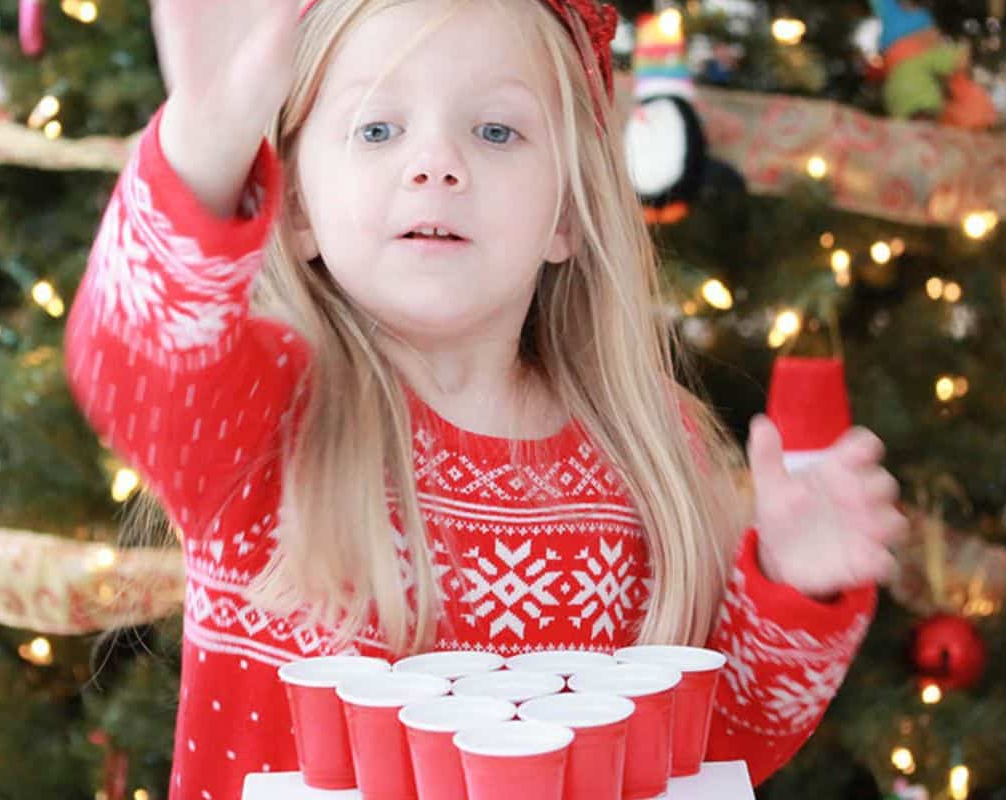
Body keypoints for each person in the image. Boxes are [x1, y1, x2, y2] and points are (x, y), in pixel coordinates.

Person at [63, 0, 907, 796]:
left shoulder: (653, 452)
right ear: (297, 212)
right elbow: (132, 357)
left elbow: (707, 753)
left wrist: (795, 588)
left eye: (497, 130)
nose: (437, 164)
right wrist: (207, 138)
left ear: (565, 216)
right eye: (378, 128)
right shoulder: (264, 421)